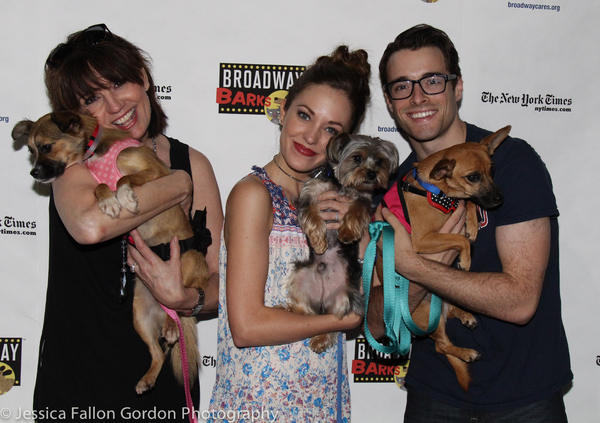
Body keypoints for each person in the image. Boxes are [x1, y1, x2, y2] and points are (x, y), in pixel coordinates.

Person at [367, 24, 572, 422]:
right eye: (402, 86)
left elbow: (519, 300)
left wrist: (413, 267)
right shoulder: (393, 191)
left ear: (457, 87)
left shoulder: (513, 164)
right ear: (391, 104)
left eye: (432, 80)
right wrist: (414, 280)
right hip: (432, 397)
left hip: (526, 400)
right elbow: (380, 325)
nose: (418, 96)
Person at [34, 23, 223, 420]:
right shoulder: (75, 161)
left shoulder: (194, 163)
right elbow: (91, 226)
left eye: (119, 82)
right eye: (91, 99)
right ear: (76, 117)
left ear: (144, 78)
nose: (115, 105)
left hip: (163, 383)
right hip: (78, 382)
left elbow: (216, 280)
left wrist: (187, 299)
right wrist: (175, 186)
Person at [207, 45, 370, 422]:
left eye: (330, 129)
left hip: (322, 399)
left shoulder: (336, 203)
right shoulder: (253, 194)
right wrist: (339, 322)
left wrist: (360, 231)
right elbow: (246, 327)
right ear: (281, 111)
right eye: (304, 115)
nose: (311, 137)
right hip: (261, 405)